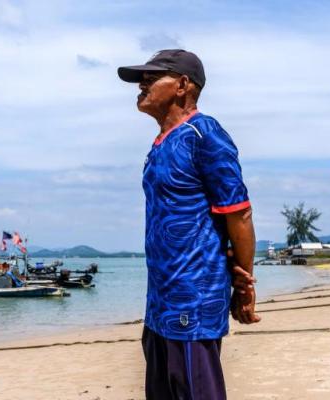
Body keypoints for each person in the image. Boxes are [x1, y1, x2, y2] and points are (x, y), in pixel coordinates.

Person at [117, 49, 260, 399]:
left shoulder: (204, 133)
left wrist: (243, 283)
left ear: (182, 85)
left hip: (192, 298)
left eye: (152, 77)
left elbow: (238, 212)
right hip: (159, 301)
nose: (142, 84)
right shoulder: (160, 144)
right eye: (141, 79)